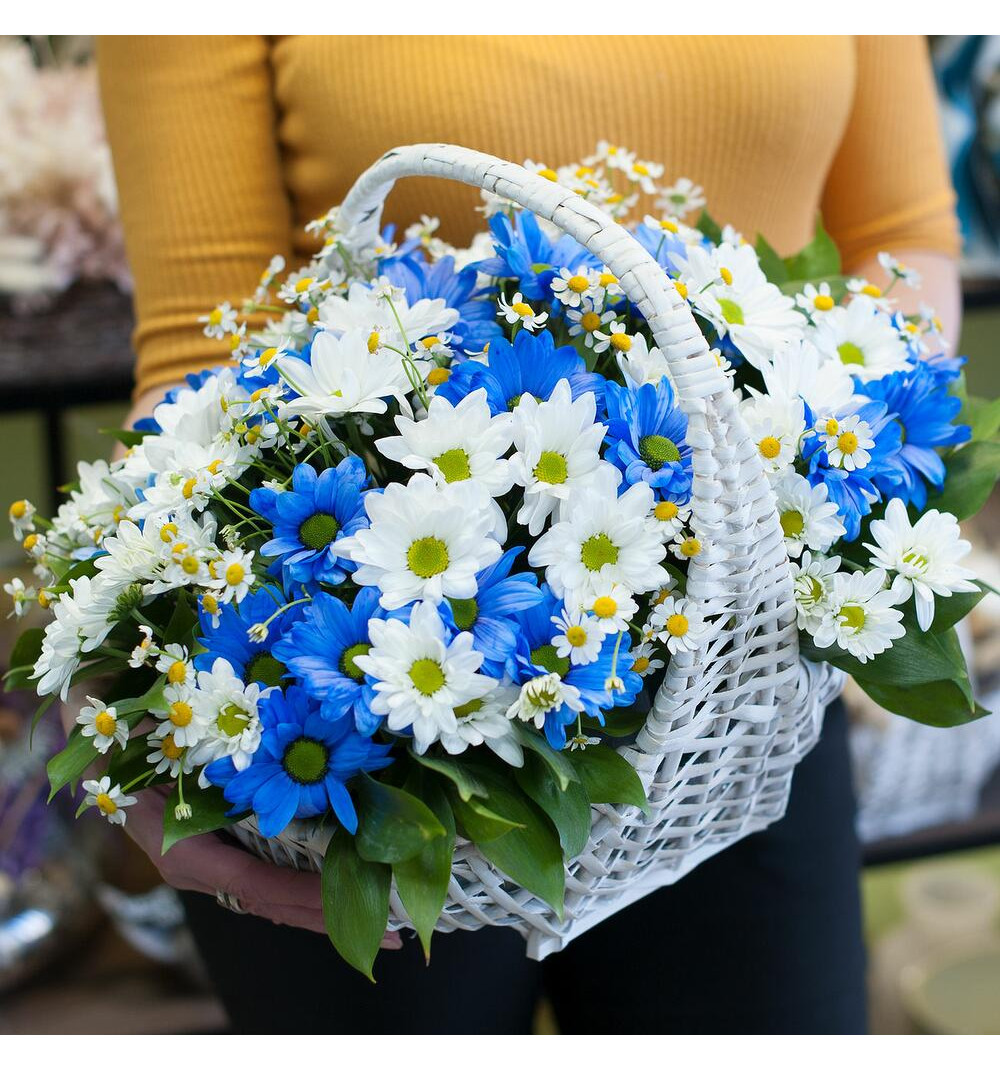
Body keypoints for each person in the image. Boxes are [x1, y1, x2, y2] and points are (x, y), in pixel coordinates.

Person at [95, 35, 961, 1034]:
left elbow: (900, 244)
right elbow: (200, 352)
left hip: (744, 701)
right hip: (369, 759)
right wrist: (126, 619)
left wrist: (816, 480)